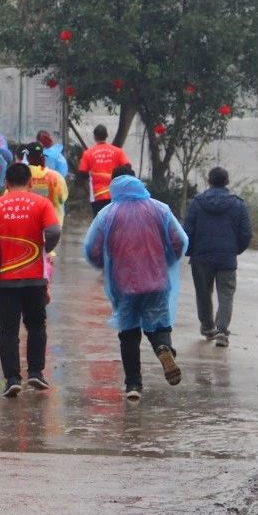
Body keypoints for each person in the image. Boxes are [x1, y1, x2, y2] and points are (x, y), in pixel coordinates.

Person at [83, 169, 188, 401]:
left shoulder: (107, 214)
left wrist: (106, 264)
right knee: (159, 324)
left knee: (129, 333)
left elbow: (92, 249)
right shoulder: (160, 209)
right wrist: (167, 260)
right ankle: (164, 349)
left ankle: (133, 385)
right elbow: (180, 240)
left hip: (124, 283)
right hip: (157, 280)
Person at [0, 163, 62, 396]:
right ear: (31, 182)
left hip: (5, 279)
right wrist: (42, 249)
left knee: (8, 330)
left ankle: (12, 378)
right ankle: (36, 373)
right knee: (36, 325)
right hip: (35, 279)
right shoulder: (42, 204)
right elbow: (53, 231)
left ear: (6, 183)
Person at [182, 166, 252, 346]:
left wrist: (190, 251)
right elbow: (246, 234)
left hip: (201, 257)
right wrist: (234, 250)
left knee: (203, 293)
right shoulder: (238, 204)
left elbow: (187, 231)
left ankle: (207, 327)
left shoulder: (197, 203)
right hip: (226, 257)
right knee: (226, 295)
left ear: (209, 181)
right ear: (227, 182)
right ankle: (222, 331)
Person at [79, 124, 130, 215]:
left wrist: (87, 190)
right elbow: (127, 167)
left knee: (99, 221)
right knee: (115, 220)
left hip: (97, 195)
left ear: (95, 137)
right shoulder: (118, 151)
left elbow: (82, 173)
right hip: (115, 193)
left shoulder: (88, 153)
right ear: (107, 135)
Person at [24, 145, 69, 224]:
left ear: (27, 158)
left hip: (27, 222)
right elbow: (62, 198)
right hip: (52, 223)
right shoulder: (55, 177)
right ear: (43, 157)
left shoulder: (20, 176)